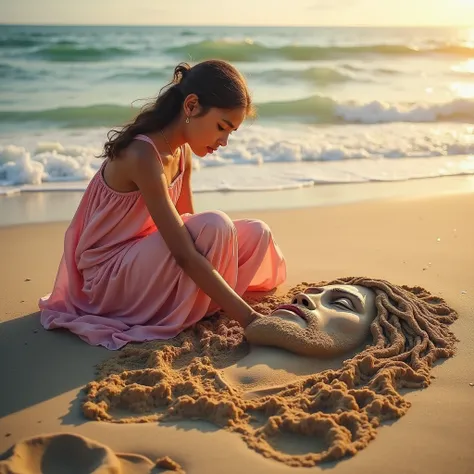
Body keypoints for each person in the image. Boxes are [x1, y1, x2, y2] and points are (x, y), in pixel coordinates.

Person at [39, 59, 287, 351]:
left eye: (231, 132)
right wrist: (250, 318)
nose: (224, 141)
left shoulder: (182, 152)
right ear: (191, 106)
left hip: (144, 259)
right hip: (107, 278)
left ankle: (201, 302)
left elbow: (186, 223)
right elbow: (184, 252)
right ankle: (202, 305)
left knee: (257, 232)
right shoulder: (142, 155)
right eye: (222, 127)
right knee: (216, 225)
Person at [83, 277, 458, 466]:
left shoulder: (323, 426)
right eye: (309, 293)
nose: (303, 298)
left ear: (380, 341)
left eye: (340, 303)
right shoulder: (159, 362)